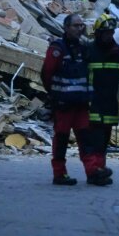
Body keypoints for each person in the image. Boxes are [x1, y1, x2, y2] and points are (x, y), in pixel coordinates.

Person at [84, 13, 119, 186]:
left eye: (111, 32)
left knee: (103, 140)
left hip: (109, 104)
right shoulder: (88, 51)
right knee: (94, 139)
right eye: (106, 32)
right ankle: (95, 172)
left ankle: (99, 170)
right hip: (91, 103)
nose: (109, 36)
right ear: (98, 33)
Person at [41, 13, 91, 185]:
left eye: (81, 25)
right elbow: (46, 73)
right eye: (76, 26)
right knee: (61, 138)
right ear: (66, 27)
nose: (79, 29)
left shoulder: (84, 48)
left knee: (86, 139)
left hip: (81, 103)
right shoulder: (58, 48)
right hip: (63, 104)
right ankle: (59, 174)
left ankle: (92, 172)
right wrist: (54, 94)